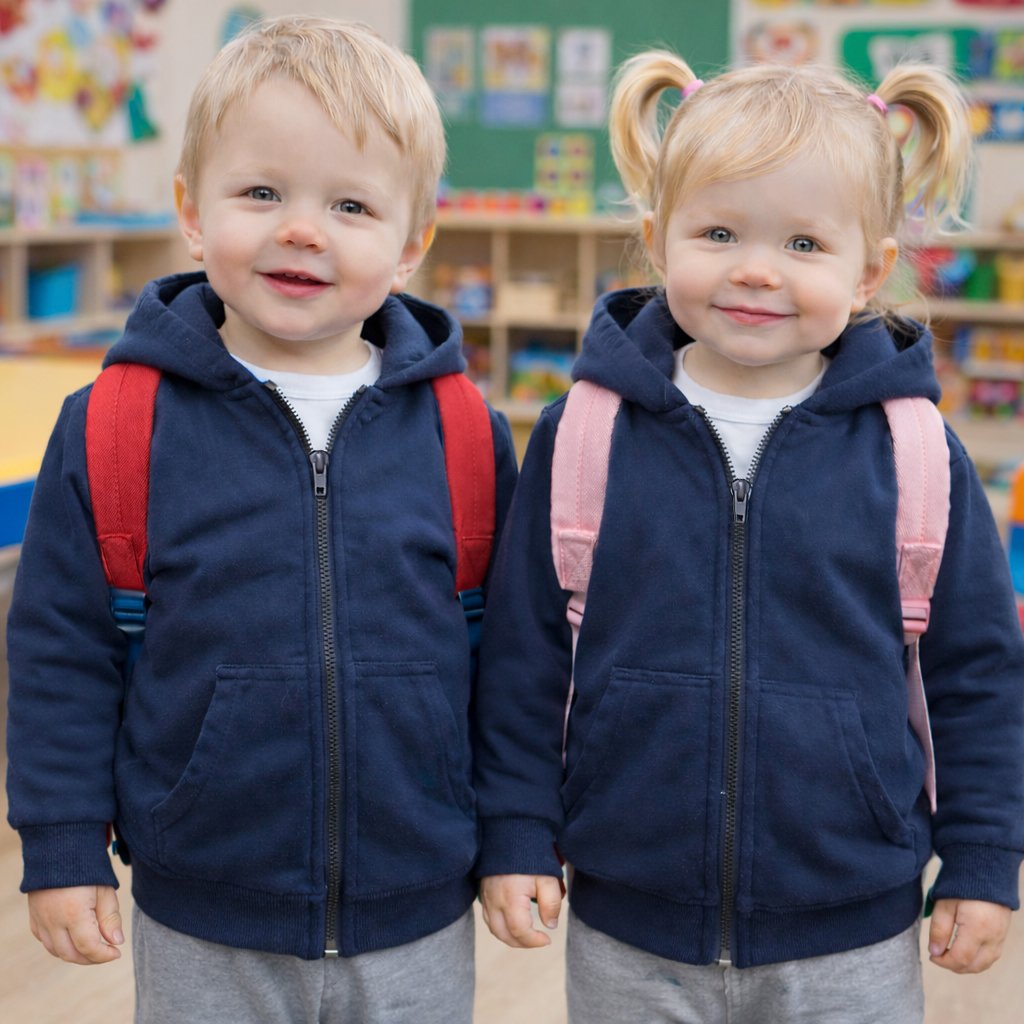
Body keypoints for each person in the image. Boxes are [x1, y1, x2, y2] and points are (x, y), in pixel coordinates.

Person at [473, 51, 1024, 1023]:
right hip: (628, 928)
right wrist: (517, 829)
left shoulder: (914, 455)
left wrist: (984, 854)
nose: (756, 269)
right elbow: (523, 659)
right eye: (718, 231)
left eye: (804, 243)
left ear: (869, 271)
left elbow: (977, 674)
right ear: (655, 236)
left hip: (850, 930)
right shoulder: (585, 434)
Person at [6, 16, 517, 1024]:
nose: (301, 229)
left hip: (416, 908)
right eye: (261, 192)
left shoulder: (465, 430)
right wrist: (61, 843)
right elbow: (62, 652)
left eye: (351, 204)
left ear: (411, 242)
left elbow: (511, 662)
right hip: (203, 909)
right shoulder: (115, 422)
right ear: (193, 214)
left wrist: (514, 835)